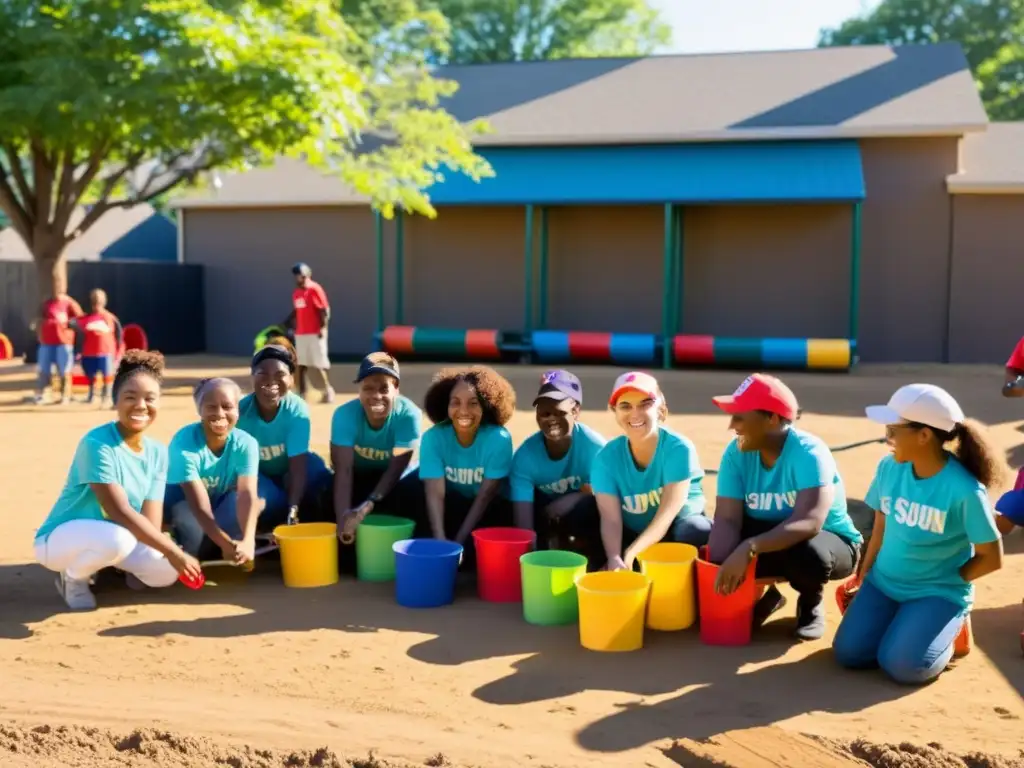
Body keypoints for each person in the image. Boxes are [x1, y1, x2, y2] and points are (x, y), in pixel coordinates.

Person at [833, 384, 1006, 684]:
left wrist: (950, 581)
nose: (887, 438)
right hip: (884, 584)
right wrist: (864, 574)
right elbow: (880, 529)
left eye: (893, 430)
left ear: (924, 435)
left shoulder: (964, 490)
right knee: (849, 653)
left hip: (936, 592)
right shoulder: (889, 468)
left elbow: (991, 557)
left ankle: (951, 630)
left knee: (902, 666)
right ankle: (908, 625)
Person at [32, 351, 202, 610]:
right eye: (130, 397)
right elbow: (118, 510)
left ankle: (109, 568)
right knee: (121, 541)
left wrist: (161, 554)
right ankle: (73, 577)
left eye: (150, 398)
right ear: (116, 401)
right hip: (59, 542)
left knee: (165, 572)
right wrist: (174, 551)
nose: (141, 406)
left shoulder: (157, 452)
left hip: (114, 539)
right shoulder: (97, 443)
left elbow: (151, 518)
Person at [707, 373, 862, 641]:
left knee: (811, 555)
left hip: (826, 539)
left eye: (740, 416)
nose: (732, 425)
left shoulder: (809, 453)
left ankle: (810, 601)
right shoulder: (736, 453)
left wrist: (748, 548)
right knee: (713, 543)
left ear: (773, 419)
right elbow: (727, 519)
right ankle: (762, 599)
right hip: (768, 537)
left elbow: (809, 521)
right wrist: (717, 566)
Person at [591, 371, 709, 572]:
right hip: (633, 531)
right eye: (625, 406)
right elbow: (610, 519)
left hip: (674, 529)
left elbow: (668, 512)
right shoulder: (605, 458)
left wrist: (631, 554)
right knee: (582, 516)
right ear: (615, 411)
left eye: (645, 404)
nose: (634, 413)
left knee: (696, 530)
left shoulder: (678, 448)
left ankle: (698, 593)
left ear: (660, 409)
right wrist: (614, 557)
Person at [417, 366, 516, 564]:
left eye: (473, 403)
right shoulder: (433, 438)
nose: (463, 411)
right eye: (455, 402)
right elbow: (435, 494)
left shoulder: (498, 439)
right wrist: (441, 541)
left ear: (486, 406)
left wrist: (459, 542)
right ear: (446, 405)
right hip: (451, 504)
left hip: (487, 510)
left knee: (477, 558)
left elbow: (485, 496)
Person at [164, 378, 262, 563]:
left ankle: (214, 544)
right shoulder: (183, 444)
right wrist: (227, 545)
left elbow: (247, 493)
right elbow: (199, 506)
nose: (219, 413)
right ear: (199, 410)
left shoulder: (246, 443)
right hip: (181, 502)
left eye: (227, 406)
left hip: (216, 500)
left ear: (237, 409)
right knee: (195, 531)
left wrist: (248, 541)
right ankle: (179, 544)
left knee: (248, 511)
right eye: (210, 407)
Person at [509, 370, 606, 555]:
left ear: (576, 410)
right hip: (543, 514)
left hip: (578, 516)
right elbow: (524, 525)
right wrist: (532, 557)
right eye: (544, 411)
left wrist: (573, 498)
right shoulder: (524, 457)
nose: (551, 418)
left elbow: (610, 494)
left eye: (558, 410)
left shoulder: (595, 448)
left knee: (592, 506)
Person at [235, 342, 333, 526]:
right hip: (258, 475)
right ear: (252, 377)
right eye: (262, 373)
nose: (270, 381)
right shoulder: (240, 412)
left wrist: (293, 508)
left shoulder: (297, 410)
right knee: (267, 500)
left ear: (292, 380)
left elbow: (297, 465)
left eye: (280, 375)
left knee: (319, 475)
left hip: (291, 469)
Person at [330, 352, 423, 543]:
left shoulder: (409, 415)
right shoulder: (344, 415)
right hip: (358, 475)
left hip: (394, 479)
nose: (376, 396)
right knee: (326, 495)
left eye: (384, 388)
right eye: (368, 388)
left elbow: (396, 468)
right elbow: (344, 471)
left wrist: (367, 506)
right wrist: (343, 519)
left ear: (396, 388)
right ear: (359, 390)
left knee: (414, 492)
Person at [283, 262, 333, 403]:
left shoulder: (314, 289)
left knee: (319, 365)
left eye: (300, 276)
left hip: (315, 333)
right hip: (301, 333)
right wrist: (287, 321)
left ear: (306, 275)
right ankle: (301, 392)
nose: (298, 279)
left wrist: (322, 329)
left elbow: (323, 310)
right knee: (300, 364)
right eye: (296, 276)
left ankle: (327, 391)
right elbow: (298, 310)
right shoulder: (297, 293)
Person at [33, 276, 84, 405]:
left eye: (58, 286)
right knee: (44, 369)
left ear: (63, 288)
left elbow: (80, 319)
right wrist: (40, 334)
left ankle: (65, 395)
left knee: (64, 369)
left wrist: (69, 325)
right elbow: (38, 319)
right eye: (54, 286)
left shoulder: (69, 303)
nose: (56, 289)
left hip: (63, 342)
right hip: (47, 342)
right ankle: (42, 394)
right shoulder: (46, 303)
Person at [77, 288, 122, 406]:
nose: (97, 302)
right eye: (95, 299)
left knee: (107, 375)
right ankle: (92, 395)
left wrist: (118, 353)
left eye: (99, 299)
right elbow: (77, 331)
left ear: (104, 301)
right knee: (90, 375)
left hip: (106, 352)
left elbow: (119, 335)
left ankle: (107, 397)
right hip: (89, 353)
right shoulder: (85, 319)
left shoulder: (111, 318)